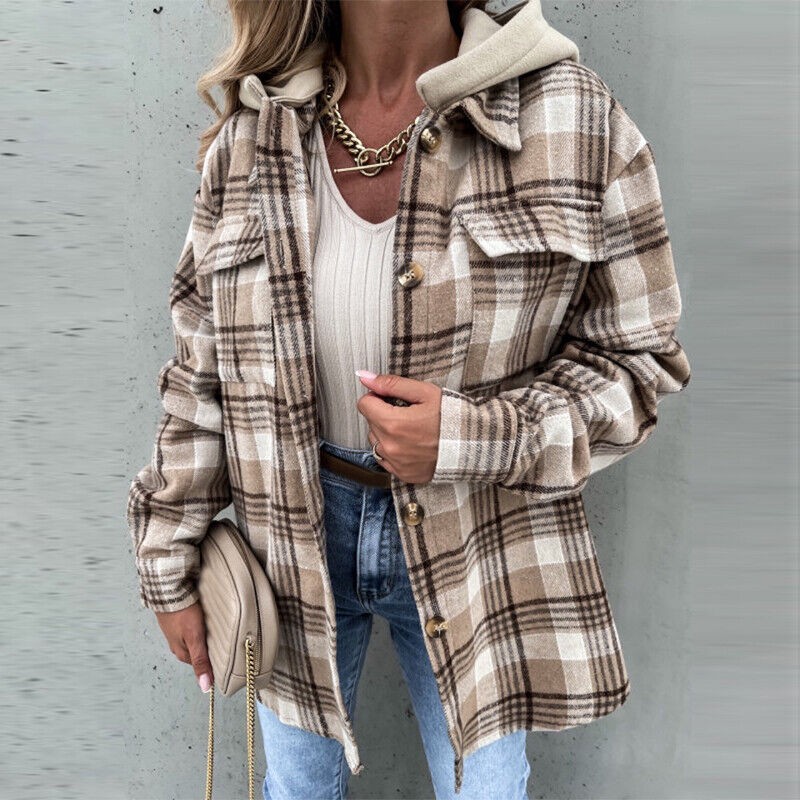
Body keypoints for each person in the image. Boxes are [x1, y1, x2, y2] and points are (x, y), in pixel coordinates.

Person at [126, 1, 692, 798]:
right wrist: (168, 564)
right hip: (289, 534)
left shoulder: (572, 118)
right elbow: (200, 372)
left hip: (479, 539)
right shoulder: (258, 134)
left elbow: (639, 361)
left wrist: (472, 438)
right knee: (296, 789)